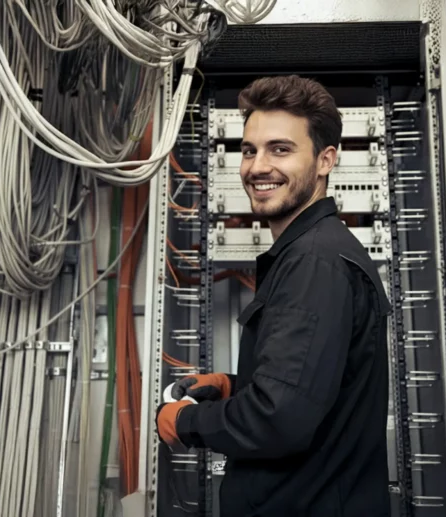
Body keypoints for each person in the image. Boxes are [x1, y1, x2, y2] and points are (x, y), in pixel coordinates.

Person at [156, 75, 392, 516]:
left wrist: (185, 422)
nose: (258, 166)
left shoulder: (314, 262)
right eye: (249, 150)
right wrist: (236, 388)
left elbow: (278, 420)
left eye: (280, 149)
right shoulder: (312, 252)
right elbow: (312, 390)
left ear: (326, 160)